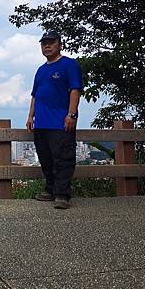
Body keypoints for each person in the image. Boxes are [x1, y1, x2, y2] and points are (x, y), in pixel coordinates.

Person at [26, 31, 83, 209]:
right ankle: (50, 190)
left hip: (61, 121)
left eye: (51, 42)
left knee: (63, 158)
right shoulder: (41, 70)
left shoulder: (69, 65)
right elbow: (35, 95)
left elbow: (75, 90)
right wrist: (30, 116)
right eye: (44, 43)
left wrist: (71, 114)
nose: (47, 46)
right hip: (41, 122)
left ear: (60, 44)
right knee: (46, 158)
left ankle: (62, 194)